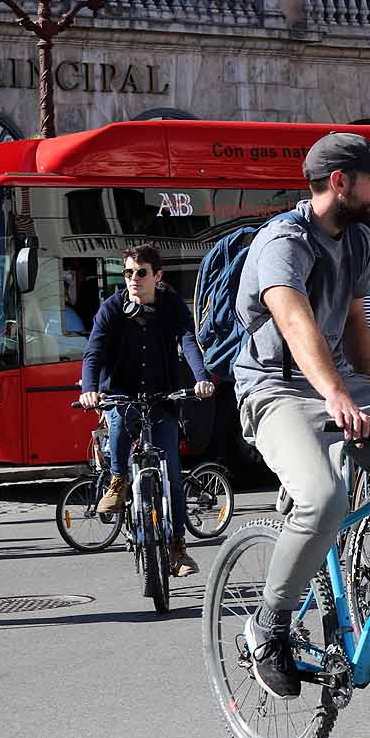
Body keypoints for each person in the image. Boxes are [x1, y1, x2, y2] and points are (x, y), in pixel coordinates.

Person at [233, 132, 370, 699]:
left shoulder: (360, 238)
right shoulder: (283, 242)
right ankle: (269, 625)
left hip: (341, 383)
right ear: (340, 183)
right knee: (323, 498)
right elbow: (295, 321)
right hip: (277, 389)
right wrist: (337, 394)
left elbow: (352, 321)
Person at [79, 244, 215, 578]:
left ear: (157, 275)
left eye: (141, 272)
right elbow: (93, 353)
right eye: (128, 272)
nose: (134, 278)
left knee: (171, 473)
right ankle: (118, 480)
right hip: (122, 393)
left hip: (162, 396)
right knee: (119, 427)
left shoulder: (171, 307)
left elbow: (188, 341)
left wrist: (201, 379)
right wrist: (89, 390)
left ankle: (178, 548)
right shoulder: (111, 308)